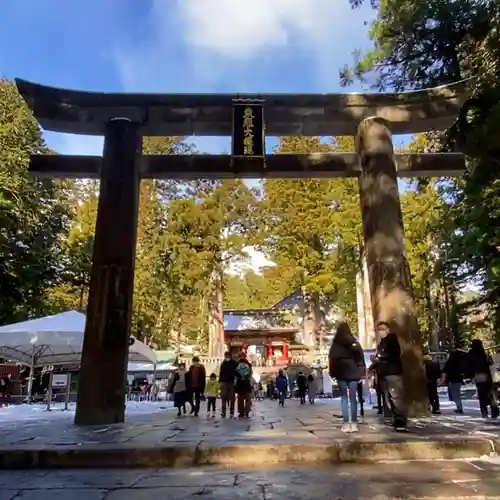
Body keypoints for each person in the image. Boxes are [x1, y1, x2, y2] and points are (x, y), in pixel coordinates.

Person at [329, 322, 366, 433]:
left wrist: (333, 373)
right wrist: (361, 372)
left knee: (344, 398)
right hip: (353, 372)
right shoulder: (354, 342)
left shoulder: (335, 344)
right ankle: (354, 423)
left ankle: (346, 423)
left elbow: (332, 359)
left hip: (341, 373)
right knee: (353, 398)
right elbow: (360, 358)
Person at [372, 321, 407, 432]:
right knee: (388, 398)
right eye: (379, 330)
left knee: (396, 397)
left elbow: (394, 354)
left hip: (392, 372)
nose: (381, 332)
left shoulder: (392, 340)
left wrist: (380, 357)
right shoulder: (382, 343)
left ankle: (401, 421)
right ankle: (395, 418)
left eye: (383, 329)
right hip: (384, 373)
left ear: (387, 329)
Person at [467, 339, 499, 419]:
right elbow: (491, 363)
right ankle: (494, 411)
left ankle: (484, 412)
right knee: (490, 394)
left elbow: (468, 366)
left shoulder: (470, 354)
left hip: (478, 376)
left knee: (482, 395)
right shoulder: (484, 353)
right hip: (487, 376)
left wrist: (470, 376)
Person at [442, 349, 465, 414]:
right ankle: (459, 407)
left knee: (455, 395)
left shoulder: (449, 362)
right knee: (457, 394)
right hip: (459, 380)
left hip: (452, 380)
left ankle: (459, 408)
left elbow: (444, 371)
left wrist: (444, 380)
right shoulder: (460, 362)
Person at [219, 351, 238, 418]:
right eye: (226, 356)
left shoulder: (234, 363)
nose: (226, 357)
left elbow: (236, 373)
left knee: (232, 398)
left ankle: (231, 411)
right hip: (224, 382)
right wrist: (220, 381)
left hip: (231, 382)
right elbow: (220, 372)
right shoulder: (223, 363)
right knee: (223, 397)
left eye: (227, 356)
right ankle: (223, 412)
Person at [235, 352, 253, 418]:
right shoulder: (249, 364)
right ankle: (247, 410)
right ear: (245, 356)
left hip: (239, 383)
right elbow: (250, 374)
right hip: (246, 382)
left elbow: (235, 375)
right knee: (248, 398)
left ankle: (241, 412)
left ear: (239, 357)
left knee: (240, 398)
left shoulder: (236, 364)